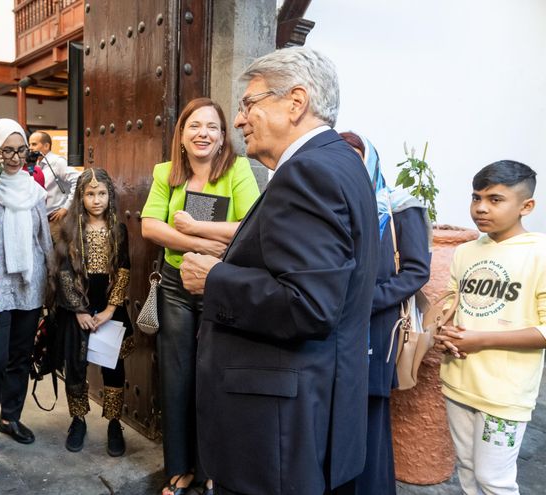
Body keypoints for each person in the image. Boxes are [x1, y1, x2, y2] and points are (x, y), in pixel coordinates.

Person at [179, 47, 379, 495]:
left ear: (296, 102)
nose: (239, 119)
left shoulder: (307, 173)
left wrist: (214, 280)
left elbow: (309, 305)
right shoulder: (341, 162)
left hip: (279, 430)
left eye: (249, 103)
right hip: (310, 409)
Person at [140, 97, 260, 495]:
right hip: (175, 282)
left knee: (214, 375)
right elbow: (150, 227)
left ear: (224, 136)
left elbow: (251, 227)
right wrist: (206, 240)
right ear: (182, 135)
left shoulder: (238, 170)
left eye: (212, 127)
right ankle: (179, 466)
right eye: (194, 126)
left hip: (218, 284)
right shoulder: (166, 174)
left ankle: (214, 468)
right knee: (176, 376)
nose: (203, 133)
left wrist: (194, 229)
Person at [433, 161, 543, 495]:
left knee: (494, 479)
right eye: (476, 197)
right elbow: (452, 305)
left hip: (504, 394)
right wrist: (444, 331)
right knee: (468, 472)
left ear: (526, 206)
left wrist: (481, 340)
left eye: (495, 199)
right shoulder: (466, 251)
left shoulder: (538, 254)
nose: (480, 208)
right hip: (459, 383)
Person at [340, 132, 431, 494]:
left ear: (370, 159)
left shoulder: (399, 206)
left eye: (354, 157)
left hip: (376, 326)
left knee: (369, 421)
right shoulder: (335, 205)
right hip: (335, 325)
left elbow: (415, 271)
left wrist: (367, 299)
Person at [52, 168, 133, 456]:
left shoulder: (118, 230)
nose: (96, 200)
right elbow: (61, 274)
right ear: (80, 197)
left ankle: (114, 423)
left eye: (102, 193)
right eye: (90, 194)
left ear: (110, 196)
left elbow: (123, 270)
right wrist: (79, 311)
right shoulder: (68, 230)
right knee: (76, 368)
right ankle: (78, 420)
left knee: (113, 369)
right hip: (78, 313)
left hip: (110, 310)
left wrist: (112, 308)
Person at [0, 118, 52, 444]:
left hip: (30, 284)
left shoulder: (35, 191)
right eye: (6, 150)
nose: (14, 157)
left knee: (21, 356)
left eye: (20, 149)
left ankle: (11, 417)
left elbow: (44, 239)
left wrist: (50, 284)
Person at [29, 130, 80, 239]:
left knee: (58, 254)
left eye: (34, 144)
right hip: (42, 221)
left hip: (56, 221)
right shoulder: (36, 165)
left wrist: (66, 208)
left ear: (46, 146)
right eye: (29, 144)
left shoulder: (58, 162)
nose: (30, 148)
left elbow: (78, 179)